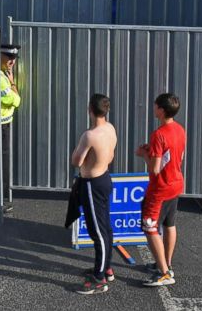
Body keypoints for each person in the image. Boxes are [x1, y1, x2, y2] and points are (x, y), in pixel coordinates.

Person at [70, 94, 118, 295]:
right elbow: (111, 154)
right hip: (105, 178)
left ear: (90, 109)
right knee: (105, 226)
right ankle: (105, 267)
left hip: (92, 184)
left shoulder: (90, 135)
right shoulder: (110, 128)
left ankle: (99, 279)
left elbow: (77, 161)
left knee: (97, 231)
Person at [136, 93, 186, 287]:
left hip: (160, 189)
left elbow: (155, 169)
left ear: (161, 110)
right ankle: (166, 264)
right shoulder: (179, 129)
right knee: (169, 224)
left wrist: (143, 154)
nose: (153, 107)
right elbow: (171, 155)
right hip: (176, 184)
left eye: (156, 105)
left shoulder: (158, 134)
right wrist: (153, 150)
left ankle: (164, 273)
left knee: (150, 228)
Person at [0, 43, 21, 213]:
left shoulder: (3, 74)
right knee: (1, 163)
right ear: (0, 56)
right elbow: (15, 100)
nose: (12, 61)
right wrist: (13, 83)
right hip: (0, 126)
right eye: (9, 57)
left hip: (2, 124)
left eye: (14, 58)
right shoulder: (0, 78)